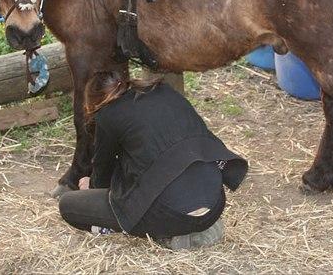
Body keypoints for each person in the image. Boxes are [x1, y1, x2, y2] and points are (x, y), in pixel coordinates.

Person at [58, 71, 247, 249]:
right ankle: (197, 226)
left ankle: (169, 234)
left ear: (93, 104)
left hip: (169, 212)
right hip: (214, 206)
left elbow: (102, 181)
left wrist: (89, 185)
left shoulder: (107, 115)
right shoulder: (164, 91)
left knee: (68, 205)